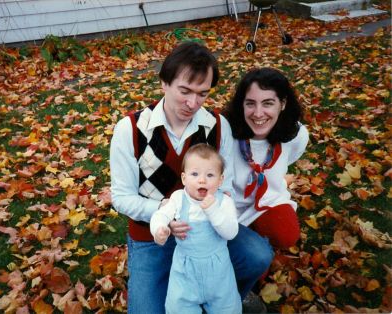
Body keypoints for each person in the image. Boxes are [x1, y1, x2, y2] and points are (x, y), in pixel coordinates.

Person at [110, 41, 272, 314]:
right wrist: (165, 214)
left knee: (258, 256)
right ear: (164, 82)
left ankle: (226, 294)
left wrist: (217, 214)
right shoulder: (131, 129)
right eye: (184, 91)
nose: (192, 103)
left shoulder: (217, 127)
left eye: (202, 94)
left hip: (209, 230)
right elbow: (121, 198)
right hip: (153, 236)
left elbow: (225, 185)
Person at [224, 67, 309, 251]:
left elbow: (288, 159)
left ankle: (259, 233)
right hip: (229, 205)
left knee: (286, 234)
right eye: (250, 103)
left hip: (269, 199)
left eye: (268, 103)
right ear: (242, 105)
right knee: (252, 266)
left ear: (283, 103)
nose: (258, 113)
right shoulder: (225, 133)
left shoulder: (297, 135)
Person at [150, 143, 241, 314]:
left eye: (210, 175)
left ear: (220, 180)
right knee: (178, 308)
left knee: (227, 308)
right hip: (185, 271)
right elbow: (160, 215)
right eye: (195, 174)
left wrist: (212, 210)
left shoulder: (224, 202)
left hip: (218, 272)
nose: (202, 180)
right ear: (184, 178)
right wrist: (159, 229)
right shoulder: (178, 198)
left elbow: (231, 232)